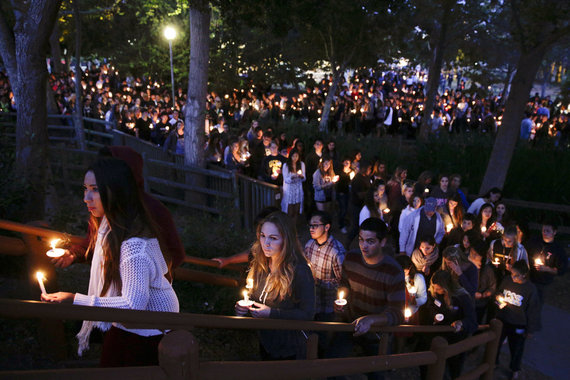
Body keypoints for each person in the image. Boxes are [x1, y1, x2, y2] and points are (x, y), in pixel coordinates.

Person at [42, 158, 179, 367]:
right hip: (132, 324)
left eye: (95, 190)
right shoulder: (110, 227)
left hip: (149, 330)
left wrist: (74, 299)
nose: (86, 198)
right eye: (85, 188)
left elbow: (133, 305)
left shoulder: (134, 246)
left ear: (116, 191)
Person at [52, 146, 185, 276]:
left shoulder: (152, 210)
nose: (86, 198)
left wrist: (141, 274)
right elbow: (93, 244)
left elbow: (175, 253)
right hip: (109, 287)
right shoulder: (102, 209)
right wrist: (73, 254)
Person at [329, 218, 405, 380]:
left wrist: (371, 320)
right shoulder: (351, 258)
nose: (363, 246)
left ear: (382, 242)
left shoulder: (393, 271)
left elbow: (398, 314)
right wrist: (341, 302)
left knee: (376, 374)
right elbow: (344, 285)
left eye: (370, 241)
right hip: (350, 323)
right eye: (361, 240)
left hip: (377, 333)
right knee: (332, 367)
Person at [235, 211, 315, 360]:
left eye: (273, 238)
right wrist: (245, 307)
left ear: (286, 240)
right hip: (266, 342)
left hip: (290, 348)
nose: (266, 243)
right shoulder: (261, 264)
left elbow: (307, 314)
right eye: (263, 236)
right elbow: (254, 297)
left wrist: (273, 314)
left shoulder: (300, 271)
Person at [418, 270, 477, 379]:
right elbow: (430, 307)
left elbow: (472, 320)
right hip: (435, 335)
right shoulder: (433, 292)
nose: (435, 290)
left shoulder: (461, 297)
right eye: (433, 287)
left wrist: (461, 323)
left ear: (447, 287)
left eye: (439, 288)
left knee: (453, 368)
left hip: (454, 338)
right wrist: (434, 316)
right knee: (427, 367)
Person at [495, 260, 542, 380]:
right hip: (503, 318)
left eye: (516, 275)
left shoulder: (530, 289)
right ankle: (493, 362)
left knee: (516, 348)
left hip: (518, 323)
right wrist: (499, 297)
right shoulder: (507, 280)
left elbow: (533, 311)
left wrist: (530, 329)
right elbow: (499, 291)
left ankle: (515, 369)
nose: (513, 277)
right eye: (512, 274)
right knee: (496, 343)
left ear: (524, 275)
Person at [527, 219, 568, 304]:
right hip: (528, 277)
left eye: (548, 231)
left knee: (536, 303)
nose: (544, 233)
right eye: (543, 230)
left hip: (543, 282)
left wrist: (546, 269)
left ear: (554, 232)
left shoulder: (558, 249)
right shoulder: (535, 242)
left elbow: (562, 270)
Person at [468, 239, 496, 324]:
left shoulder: (488, 270)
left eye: (475, 255)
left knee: (477, 323)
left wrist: (483, 295)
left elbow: (492, 287)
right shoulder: (466, 264)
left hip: (479, 304)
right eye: (471, 253)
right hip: (466, 301)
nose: (472, 256)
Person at [281, 148, 306, 219]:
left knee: (296, 211)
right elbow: (286, 179)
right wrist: (292, 177)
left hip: (298, 189)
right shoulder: (286, 165)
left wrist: (301, 176)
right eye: (293, 156)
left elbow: (304, 178)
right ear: (290, 156)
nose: (295, 158)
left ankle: (294, 227)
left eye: (296, 156)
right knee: (289, 211)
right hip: (289, 190)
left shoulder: (301, 164)